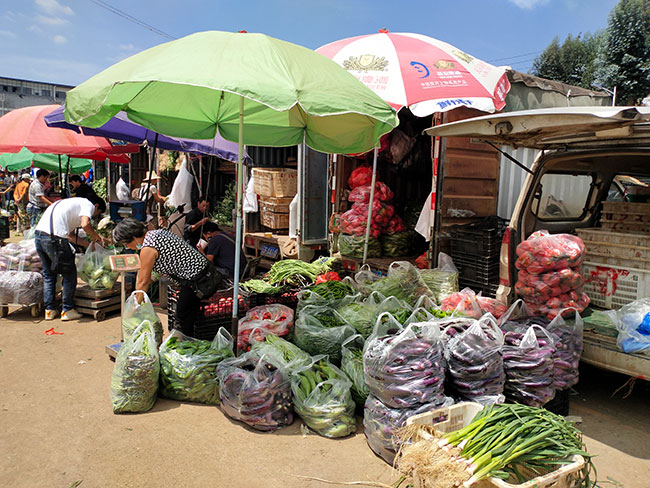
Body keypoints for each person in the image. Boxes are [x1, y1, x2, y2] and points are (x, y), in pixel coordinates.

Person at [112, 218, 222, 336]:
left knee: (183, 319)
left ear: (133, 237)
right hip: (206, 274)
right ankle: (193, 339)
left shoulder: (148, 248)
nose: (128, 247)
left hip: (198, 281)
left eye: (126, 244)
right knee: (188, 314)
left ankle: (186, 344)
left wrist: (135, 307)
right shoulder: (156, 234)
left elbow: (144, 281)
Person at [34, 196, 107, 321]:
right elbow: (85, 224)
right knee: (69, 273)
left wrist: (89, 245)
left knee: (49, 274)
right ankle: (68, 310)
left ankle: (50, 310)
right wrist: (96, 237)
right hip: (54, 239)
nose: (93, 216)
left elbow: (71, 237)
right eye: (96, 214)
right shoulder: (88, 204)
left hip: (39, 237)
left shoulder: (70, 204)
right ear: (96, 206)